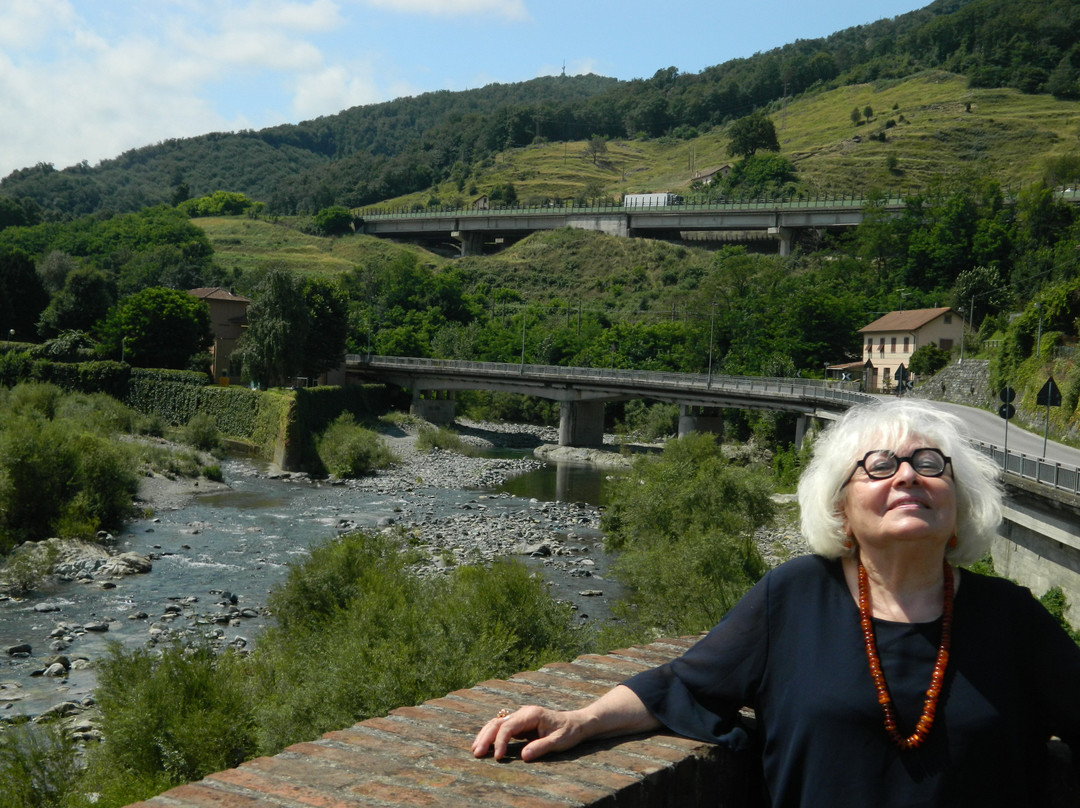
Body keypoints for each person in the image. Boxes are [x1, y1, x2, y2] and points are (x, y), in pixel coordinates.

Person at [472, 399, 1080, 806]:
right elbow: (684, 684)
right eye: (880, 465)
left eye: (929, 464)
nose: (907, 477)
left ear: (959, 505)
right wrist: (578, 720)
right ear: (841, 507)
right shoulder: (793, 596)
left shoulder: (1012, 616)